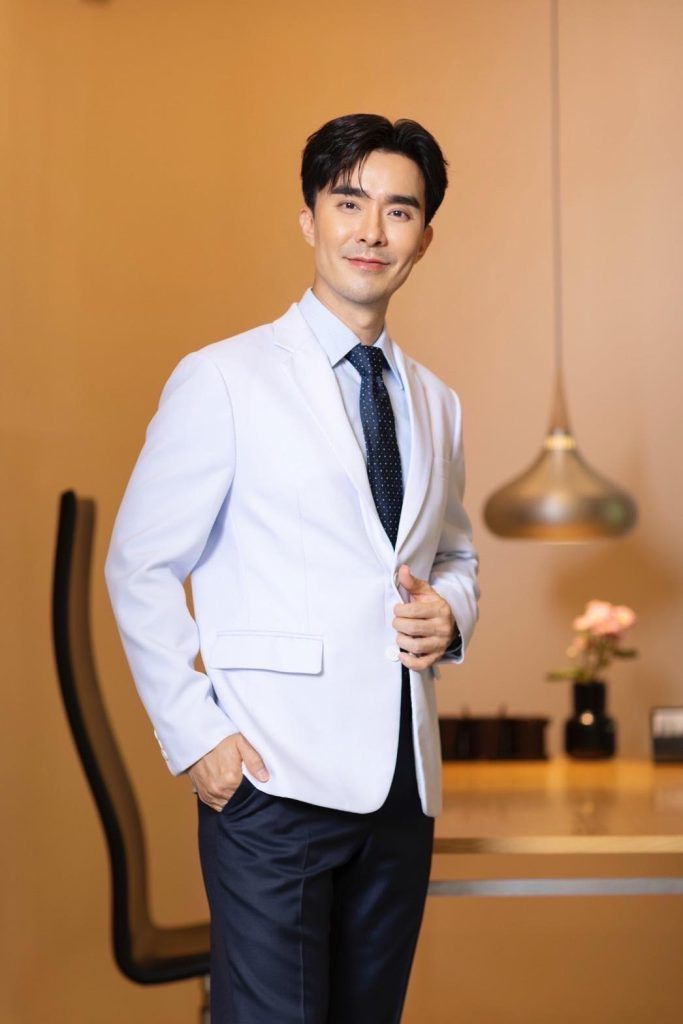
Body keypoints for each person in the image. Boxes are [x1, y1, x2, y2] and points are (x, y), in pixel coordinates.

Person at [104, 112, 480, 1024]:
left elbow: (452, 551)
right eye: (348, 203)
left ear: (424, 238)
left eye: (399, 211)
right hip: (272, 781)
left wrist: (452, 611)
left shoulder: (436, 402)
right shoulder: (223, 378)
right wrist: (196, 735)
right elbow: (139, 563)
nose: (371, 230)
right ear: (309, 218)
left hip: (401, 787)